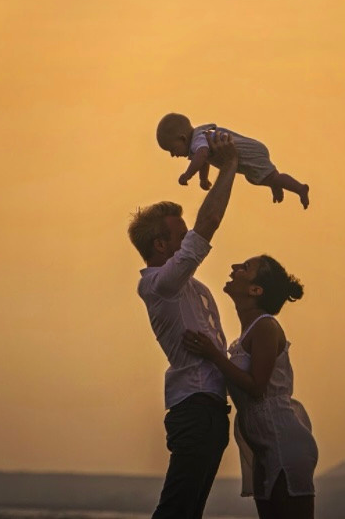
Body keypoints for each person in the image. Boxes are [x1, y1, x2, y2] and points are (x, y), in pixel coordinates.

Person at [128, 131, 241, 519]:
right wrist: (229, 166)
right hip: (194, 409)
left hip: (209, 410)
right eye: (180, 235)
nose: (188, 238)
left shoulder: (190, 287)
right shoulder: (160, 284)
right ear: (161, 246)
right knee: (177, 510)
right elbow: (208, 221)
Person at [182, 255, 318, 519]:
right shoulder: (247, 333)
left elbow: (257, 387)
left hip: (283, 445)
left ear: (256, 290)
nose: (234, 267)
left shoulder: (266, 326)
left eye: (245, 267)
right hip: (262, 449)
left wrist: (213, 354)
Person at [156, 113, 310, 208]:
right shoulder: (200, 140)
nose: (172, 155)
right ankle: (275, 184)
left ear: (182, 139)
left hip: (248, 152)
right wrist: (203, 179)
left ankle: (299, 188)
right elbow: (204, 160)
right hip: (252, 151)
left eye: (172, 150)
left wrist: (187, 174)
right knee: (254, 179)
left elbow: (202, 156)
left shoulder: (198, 139)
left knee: (271, 176)